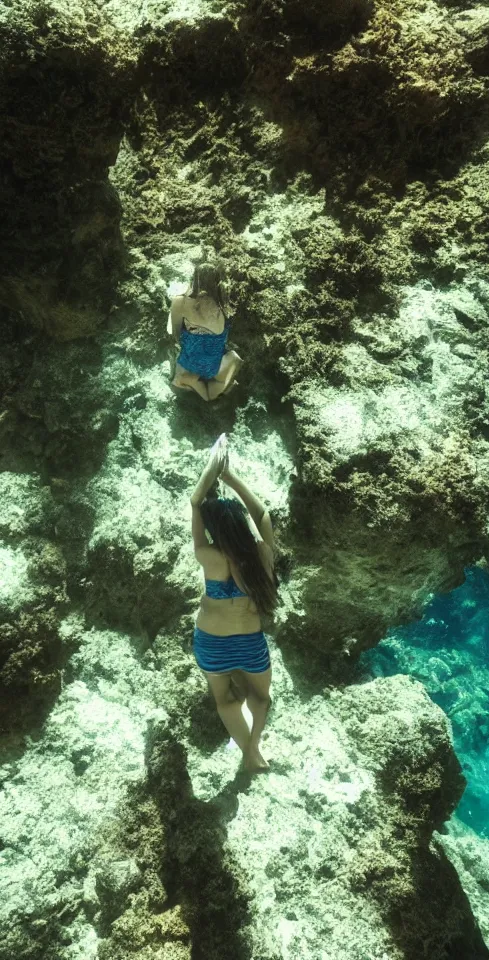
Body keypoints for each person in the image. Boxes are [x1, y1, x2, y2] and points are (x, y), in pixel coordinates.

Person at [190, 434, 277, 772]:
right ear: (242, 526)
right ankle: (252, 749)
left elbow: (196, 502)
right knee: (260, 700)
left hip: (210, 641)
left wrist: (211, 471)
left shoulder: (208, 556)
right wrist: (229, 476)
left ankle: (249, 755)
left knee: (225, 700)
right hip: (249, 641)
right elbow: (263, 513)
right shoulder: (261, 556)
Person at [167, 261, 243, 401]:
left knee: (177, 336)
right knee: (231, 355)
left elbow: (176, 334)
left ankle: (191, 381)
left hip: (190, 363)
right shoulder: (225, 307)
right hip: (213, 367)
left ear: (195, 279)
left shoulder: (180, 302)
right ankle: (208, 392)